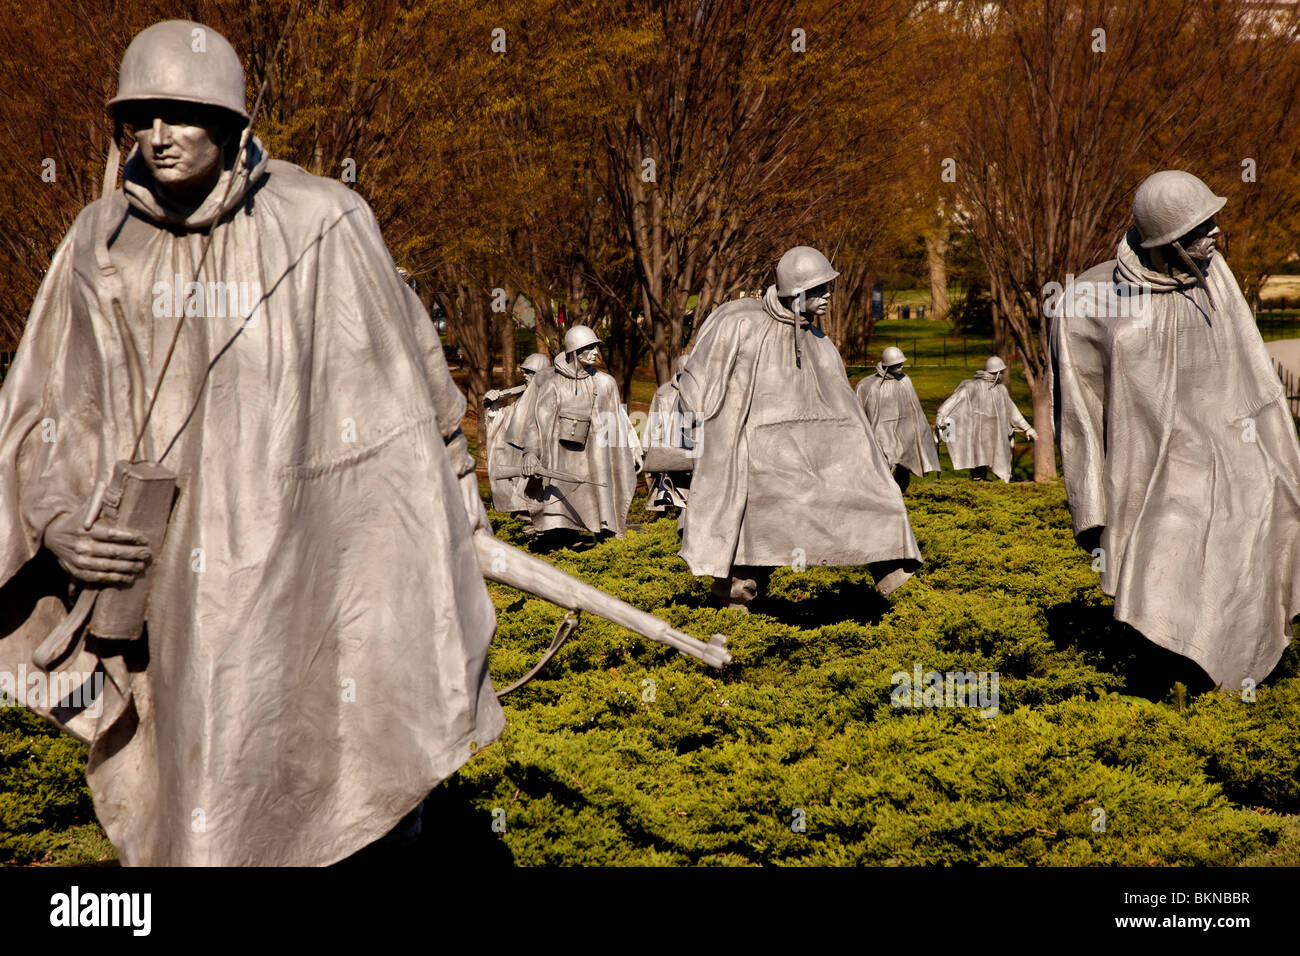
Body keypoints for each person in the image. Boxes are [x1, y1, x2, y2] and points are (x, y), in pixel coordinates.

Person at [0, 20, 503, 865]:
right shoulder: (99, 240)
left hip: (310, 557)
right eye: (143, 116)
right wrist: (54, 523)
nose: (158, 137)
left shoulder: (323, 222)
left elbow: (410, 394)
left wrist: (457, 502)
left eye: (182, 114)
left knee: (341, 754)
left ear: (232, 121)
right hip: (171, 588)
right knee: (195, 789)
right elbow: (48, 408)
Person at [1052, 169, 1300, 689]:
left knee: (1269, 513)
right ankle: (1171, 675)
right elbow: (1077, 415)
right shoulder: (1087, 303)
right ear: (1166, 240)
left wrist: (1276, 456)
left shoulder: (1215, 279)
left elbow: (1252, 373)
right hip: (1150, 472)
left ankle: (1241, 672)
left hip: (1232, 452)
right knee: (1168, 562)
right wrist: (1091, 510)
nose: (1215, 234)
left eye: (1213, 222)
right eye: (1200, 227)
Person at [675, 246, 922, 610]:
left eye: (827, 288)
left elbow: (844, 413)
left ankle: (897, 582)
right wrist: (695, 426)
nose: (827, 297)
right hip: (753, 457)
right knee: (749, 525)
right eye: (818, 290)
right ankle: (733, 608)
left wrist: (866, 459)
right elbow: (699, 378)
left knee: (877, 494)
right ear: (795, 292)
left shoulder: (821, 344)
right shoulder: (742, 324)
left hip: (808, 459)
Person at [507, 326, 639, 541]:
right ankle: (558, 537)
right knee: (557, 507)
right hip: (559, 457)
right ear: (575, 351)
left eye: (596, 346)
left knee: (598, 501)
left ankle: (597, 534)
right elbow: (535, 423)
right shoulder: (551, 382)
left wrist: (630, 449)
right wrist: (530, 452)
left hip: (597, 457)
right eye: (589, 347)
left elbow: (617, 423)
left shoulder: (606, 383)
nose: (596, 352)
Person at [936, 357, 1037, 481]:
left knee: (1001, 461)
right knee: (978, 461)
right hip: (978, 435)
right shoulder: (972, 387)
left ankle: (999, 485)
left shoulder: (1001, 390)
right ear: (998, 373)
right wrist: (941, 417)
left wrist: (1027, 428)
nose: (1003, 375)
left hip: (996, 434)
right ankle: (979, 482)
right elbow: (953, 402)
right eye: (1002, 372)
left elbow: (1012, 411)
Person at [856, 346, 940, 492]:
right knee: (886, 465)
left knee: (904, 466)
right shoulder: (868, 385)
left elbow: (915, 408)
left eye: (901, 362)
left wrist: (921, 430)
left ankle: (902, 493)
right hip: (882, 433)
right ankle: (884, 496)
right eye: (897, 364)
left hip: (905, 432)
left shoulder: (905, 380)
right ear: (888, 365)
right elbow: (859, 411)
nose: (901, 366)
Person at [485, 352, 550, 516]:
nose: (525, 375)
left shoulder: (548, 400)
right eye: (525, 371)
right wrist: (492, 405)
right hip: (515, 459)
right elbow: (503, 421)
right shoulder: (521, 400)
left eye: (530, 372)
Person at [643, 354, 695, 514]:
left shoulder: (699, 393)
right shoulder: (663, 392)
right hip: (668, 447)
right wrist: (649, 448)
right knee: (667, 489)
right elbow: (654, 420)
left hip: (691, 447)